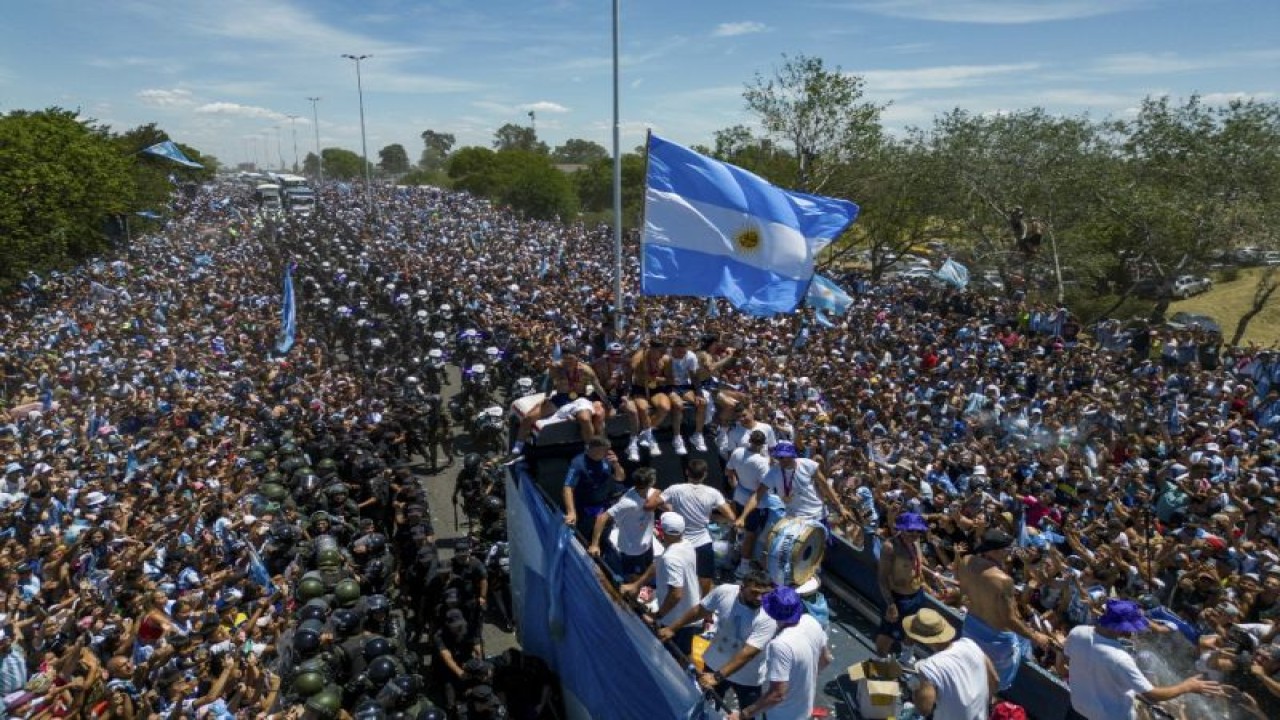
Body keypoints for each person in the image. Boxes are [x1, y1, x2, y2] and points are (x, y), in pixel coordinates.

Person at [1060, 599, 1225, 719]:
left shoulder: (1078, 632)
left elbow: (1063, 663)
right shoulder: (1120, 658)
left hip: (1077, 709)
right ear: (1123, 628)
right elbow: (1153, 695)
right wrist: (1187, 686)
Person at [658, 569, 778, 709]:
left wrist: (716, 677)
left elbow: (748, 653)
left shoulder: (769, 616)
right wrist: (672, 628)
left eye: (764, 594)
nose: (759, 598)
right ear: (742, 588)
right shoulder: (724, 592)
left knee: (748, 714)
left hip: (747, 678)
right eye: (754, 592)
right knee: (706, 708)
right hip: (714, 664)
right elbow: (700, 611)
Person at [955, 529, 1054, 691]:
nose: (1011, 551)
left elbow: (963, 588)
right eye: (1007, 548)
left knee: (969, 673)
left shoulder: (965, 560)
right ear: (995, 551)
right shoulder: (1003, 580)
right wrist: (1036, 636)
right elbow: (1010, 619)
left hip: (970, 626)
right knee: (993, 684)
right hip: (996, 641)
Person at [731, 587, 830, 720]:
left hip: (781, 715)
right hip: (804, 709)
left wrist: (743, 715)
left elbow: (777, 694)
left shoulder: (780, 645)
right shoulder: (811, 621)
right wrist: (805, 678)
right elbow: (826, 659)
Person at [647, 458, 735, 593]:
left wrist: (659, 495)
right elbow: (731, 517)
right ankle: (705, 608)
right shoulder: (713, 493)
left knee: (675, 577)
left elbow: (652, 504)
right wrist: (711, 517)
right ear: (705, 474)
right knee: (705, 577)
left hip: (679, 542)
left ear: (687, 472)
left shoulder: (675, 489)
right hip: (702, 542)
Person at [621, 512, 702, 656]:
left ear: (663, 532)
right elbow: (658, 562)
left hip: (678, 619)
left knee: (677, 658)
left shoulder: (671, 558)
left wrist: (657, 616)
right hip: (689, 612)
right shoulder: (686, 544)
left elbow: (676, 594)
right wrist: (637, 585)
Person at [902, 608, 997, 720]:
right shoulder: (970, 644)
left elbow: (924, 709)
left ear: (921, 639)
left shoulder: (928, 668)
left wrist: (916, 685)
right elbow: (995, 680)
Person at [590, 466, 659, 581]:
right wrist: (594, 544)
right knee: (635, 577)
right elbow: (602, 518)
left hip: (647, 543)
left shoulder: (650, 492)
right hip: (632, 549)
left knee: (647, 568)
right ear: (651, 482)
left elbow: (657, 493)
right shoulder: (627, 503)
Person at [876, 512, 929, 657]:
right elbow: (882, 578)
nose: (915, 534)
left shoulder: (916, 542)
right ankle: (880, 662)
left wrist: (935, 577)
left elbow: (915, 565)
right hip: (898, 598)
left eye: (918, 531)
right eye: (910, 530)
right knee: (887, 634)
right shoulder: (890, 547)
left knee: (913, 629)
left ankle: (906, 656)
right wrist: (891, 605)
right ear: (901, 529)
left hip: (917, 595)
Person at [562, 436, 624, 540]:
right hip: (584, 509)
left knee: (604, 535)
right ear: (595, 449)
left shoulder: (607, 459)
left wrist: (616, 464)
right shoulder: (578, 463)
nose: (607, 453)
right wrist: (571, 512)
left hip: (603, 506)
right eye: (605, 450)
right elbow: (567, 488)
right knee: (584, 536)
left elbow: (620, 478)